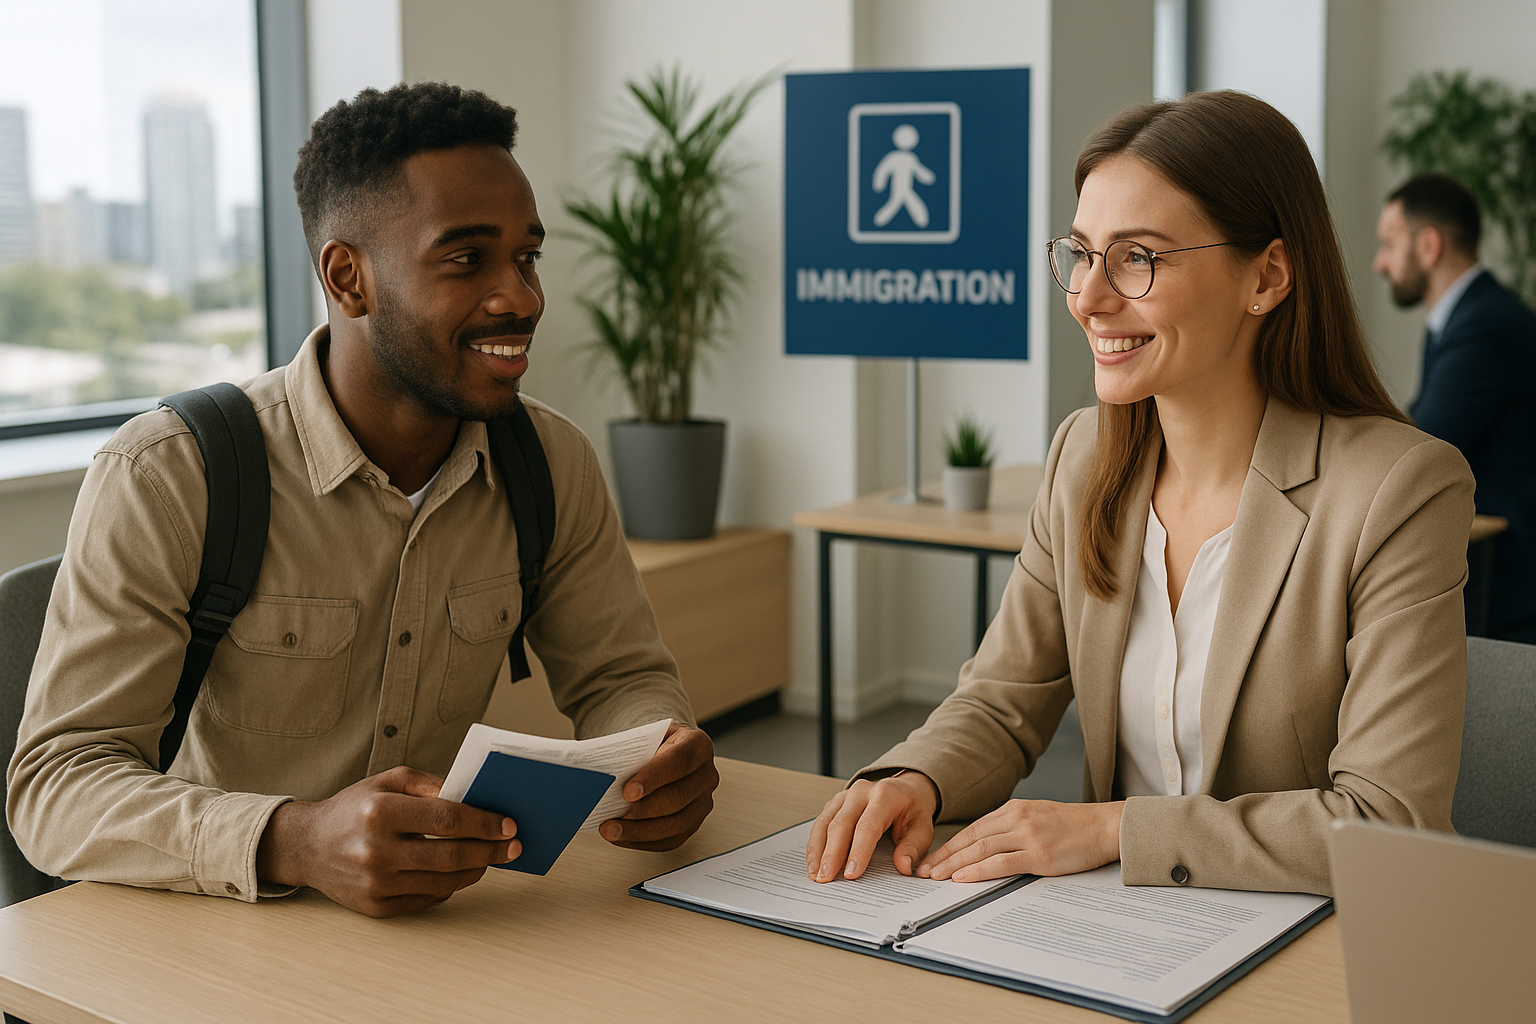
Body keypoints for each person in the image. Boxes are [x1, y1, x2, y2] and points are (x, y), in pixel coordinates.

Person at [6, 83, 718, 919]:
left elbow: (621, 675)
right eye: (466, 259)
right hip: (208, 930)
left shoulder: (550, 460)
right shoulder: (170, 473)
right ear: (348, 279)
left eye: (527, 256)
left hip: (441, 932)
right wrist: (295, 838)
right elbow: (55, 789)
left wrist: (659, 747)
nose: (521, 298)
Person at [806, 91, 1473, 897]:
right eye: (1081, 253)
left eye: (1137, 258)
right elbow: (1000, 700)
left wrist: (1110, 828)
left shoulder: (1396, 490)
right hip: (1117, 934)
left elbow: (1387, 819)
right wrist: (917, 780)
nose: (1087, 298)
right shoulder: (1083, 456)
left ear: (1265, 276)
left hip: (1309, 948)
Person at [1372, 173, 1536, 643]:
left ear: (1428, 246)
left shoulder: (1482, 327)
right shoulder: (1467, 316)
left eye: (1388, 244)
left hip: (1508, 581)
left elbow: (1421, 447)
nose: (1379, 263)